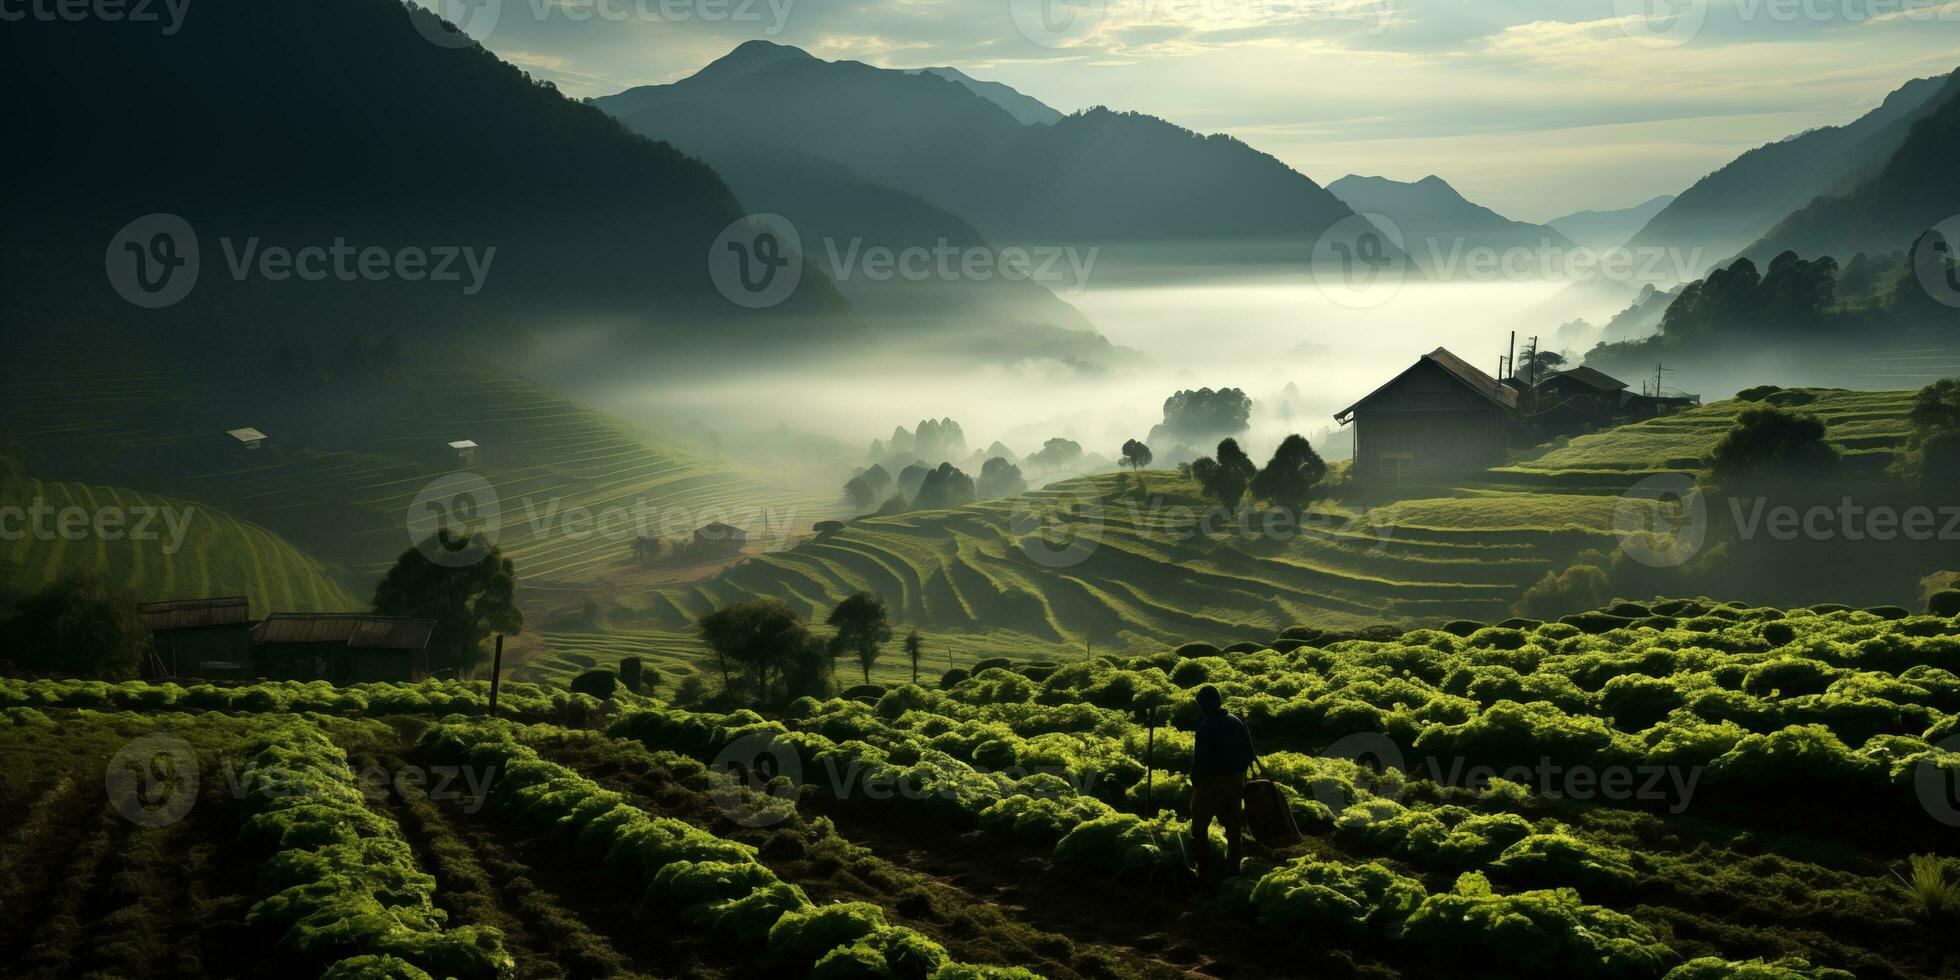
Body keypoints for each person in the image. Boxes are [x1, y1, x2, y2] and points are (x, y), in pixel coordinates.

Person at [1188, 684, 1255, 877]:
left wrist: (1196, 781)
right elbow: (1250, 752)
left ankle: (1203, 866)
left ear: (1203, 705)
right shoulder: (1236, 720)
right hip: (1236, 780)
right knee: (1233, 823)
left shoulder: (1205, 727)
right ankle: (1233, 865)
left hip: (1213, 781)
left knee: (1199, 824)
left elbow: (1200, 760)